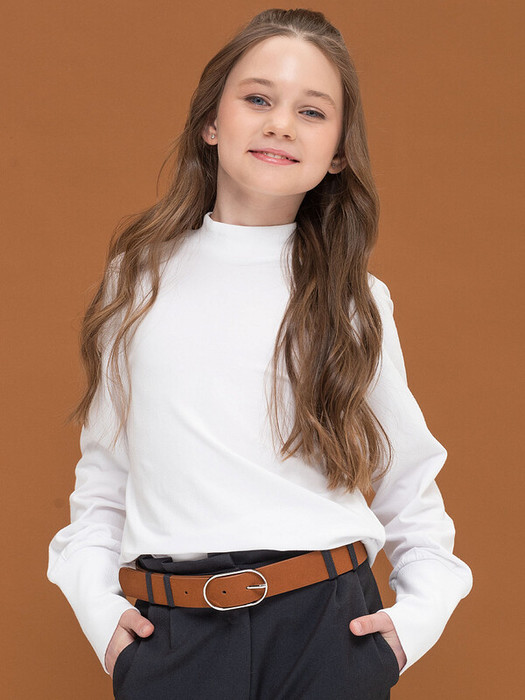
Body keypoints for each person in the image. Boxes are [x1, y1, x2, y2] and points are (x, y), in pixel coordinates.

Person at [47, 8, 473, 699]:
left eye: (312, 111)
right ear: (210, 123)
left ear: (338, 151)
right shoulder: (137, 282)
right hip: (174, 639)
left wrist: (412, 623)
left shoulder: (354, 299)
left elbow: (409, 478)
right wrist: (102, 620)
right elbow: (103, 480)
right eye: (257, 99)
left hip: (327, 632)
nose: (281, 125)